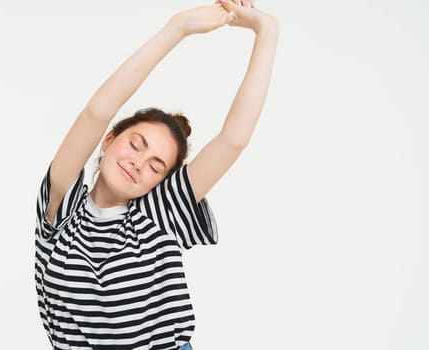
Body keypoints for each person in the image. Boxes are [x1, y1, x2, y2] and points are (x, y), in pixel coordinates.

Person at [33, 0, 277, 349]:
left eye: (155, 165)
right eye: (136, 145)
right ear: (109, 139)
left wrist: (266, 31)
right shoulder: (62, 211)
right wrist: (175, 29)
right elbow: (96, 111)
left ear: (160, 183)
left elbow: (233, 140)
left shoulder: (157, 215)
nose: (138, 162)